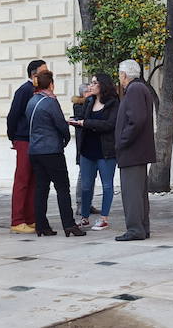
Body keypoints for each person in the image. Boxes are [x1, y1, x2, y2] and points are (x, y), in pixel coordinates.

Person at [26, 70, 85, 237]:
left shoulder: (32, 101)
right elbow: (60, 124)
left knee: (41, 188)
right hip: (51, 150)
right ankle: (69, 225)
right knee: (62, 188)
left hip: (35, 151)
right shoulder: (50, 102)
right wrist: (65, 140)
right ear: (51, 84)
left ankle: (41, 225)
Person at [70, 73, 119, 231]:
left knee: (107, 186)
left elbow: (109, 125)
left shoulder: (113, 103)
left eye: (94, 83)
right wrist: (76, 122)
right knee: (85, 186)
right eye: (90, 83)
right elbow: (83, 120)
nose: (90, 86)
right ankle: (84, 218)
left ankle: (104, 218)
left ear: (102, 85)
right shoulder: (89, 101)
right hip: (87, 150)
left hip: (105, 151)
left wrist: (86, 123)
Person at [7, 59, 50, 234]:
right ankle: (17, 220)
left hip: (35, 139)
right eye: (44, 72)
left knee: (34, 179)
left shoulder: (38, 91)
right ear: (34, 74)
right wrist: (14, 137)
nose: (47, 75)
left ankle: (30, 217)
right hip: (24, 139)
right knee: (23, 179)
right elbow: (13, 116)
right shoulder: (24, 90)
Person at [115, 60, 156, 241]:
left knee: (132, 193)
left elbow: (136, 120)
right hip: (136, 150)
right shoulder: (139, 88)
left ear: (124, 75)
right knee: (137, 193)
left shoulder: (134, 89)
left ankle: (135, 229)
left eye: (119, 74)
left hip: (132, 150)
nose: (119, 78)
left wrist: (122, 140)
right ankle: (141, 228)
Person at [72, 82, 99, 217]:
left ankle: (87, 203)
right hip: (84, 146)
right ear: (84, 94)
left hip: (92, 145)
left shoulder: (93, 103)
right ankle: (80, 204)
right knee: (84, 175)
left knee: (91, 176)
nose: (92, 92)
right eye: (89, 90)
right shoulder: (80, 106)